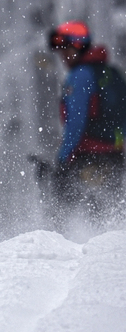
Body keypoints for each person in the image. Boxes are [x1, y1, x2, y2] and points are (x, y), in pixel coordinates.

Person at [47, 20, 125, 222]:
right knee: (110, 214)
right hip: (116, 157)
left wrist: (63, 159)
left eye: (66, 51)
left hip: (88, 159)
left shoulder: (80, 76)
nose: (63, 57)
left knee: (68, 213)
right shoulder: (111, 73)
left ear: (78, 47)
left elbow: (76, 122)